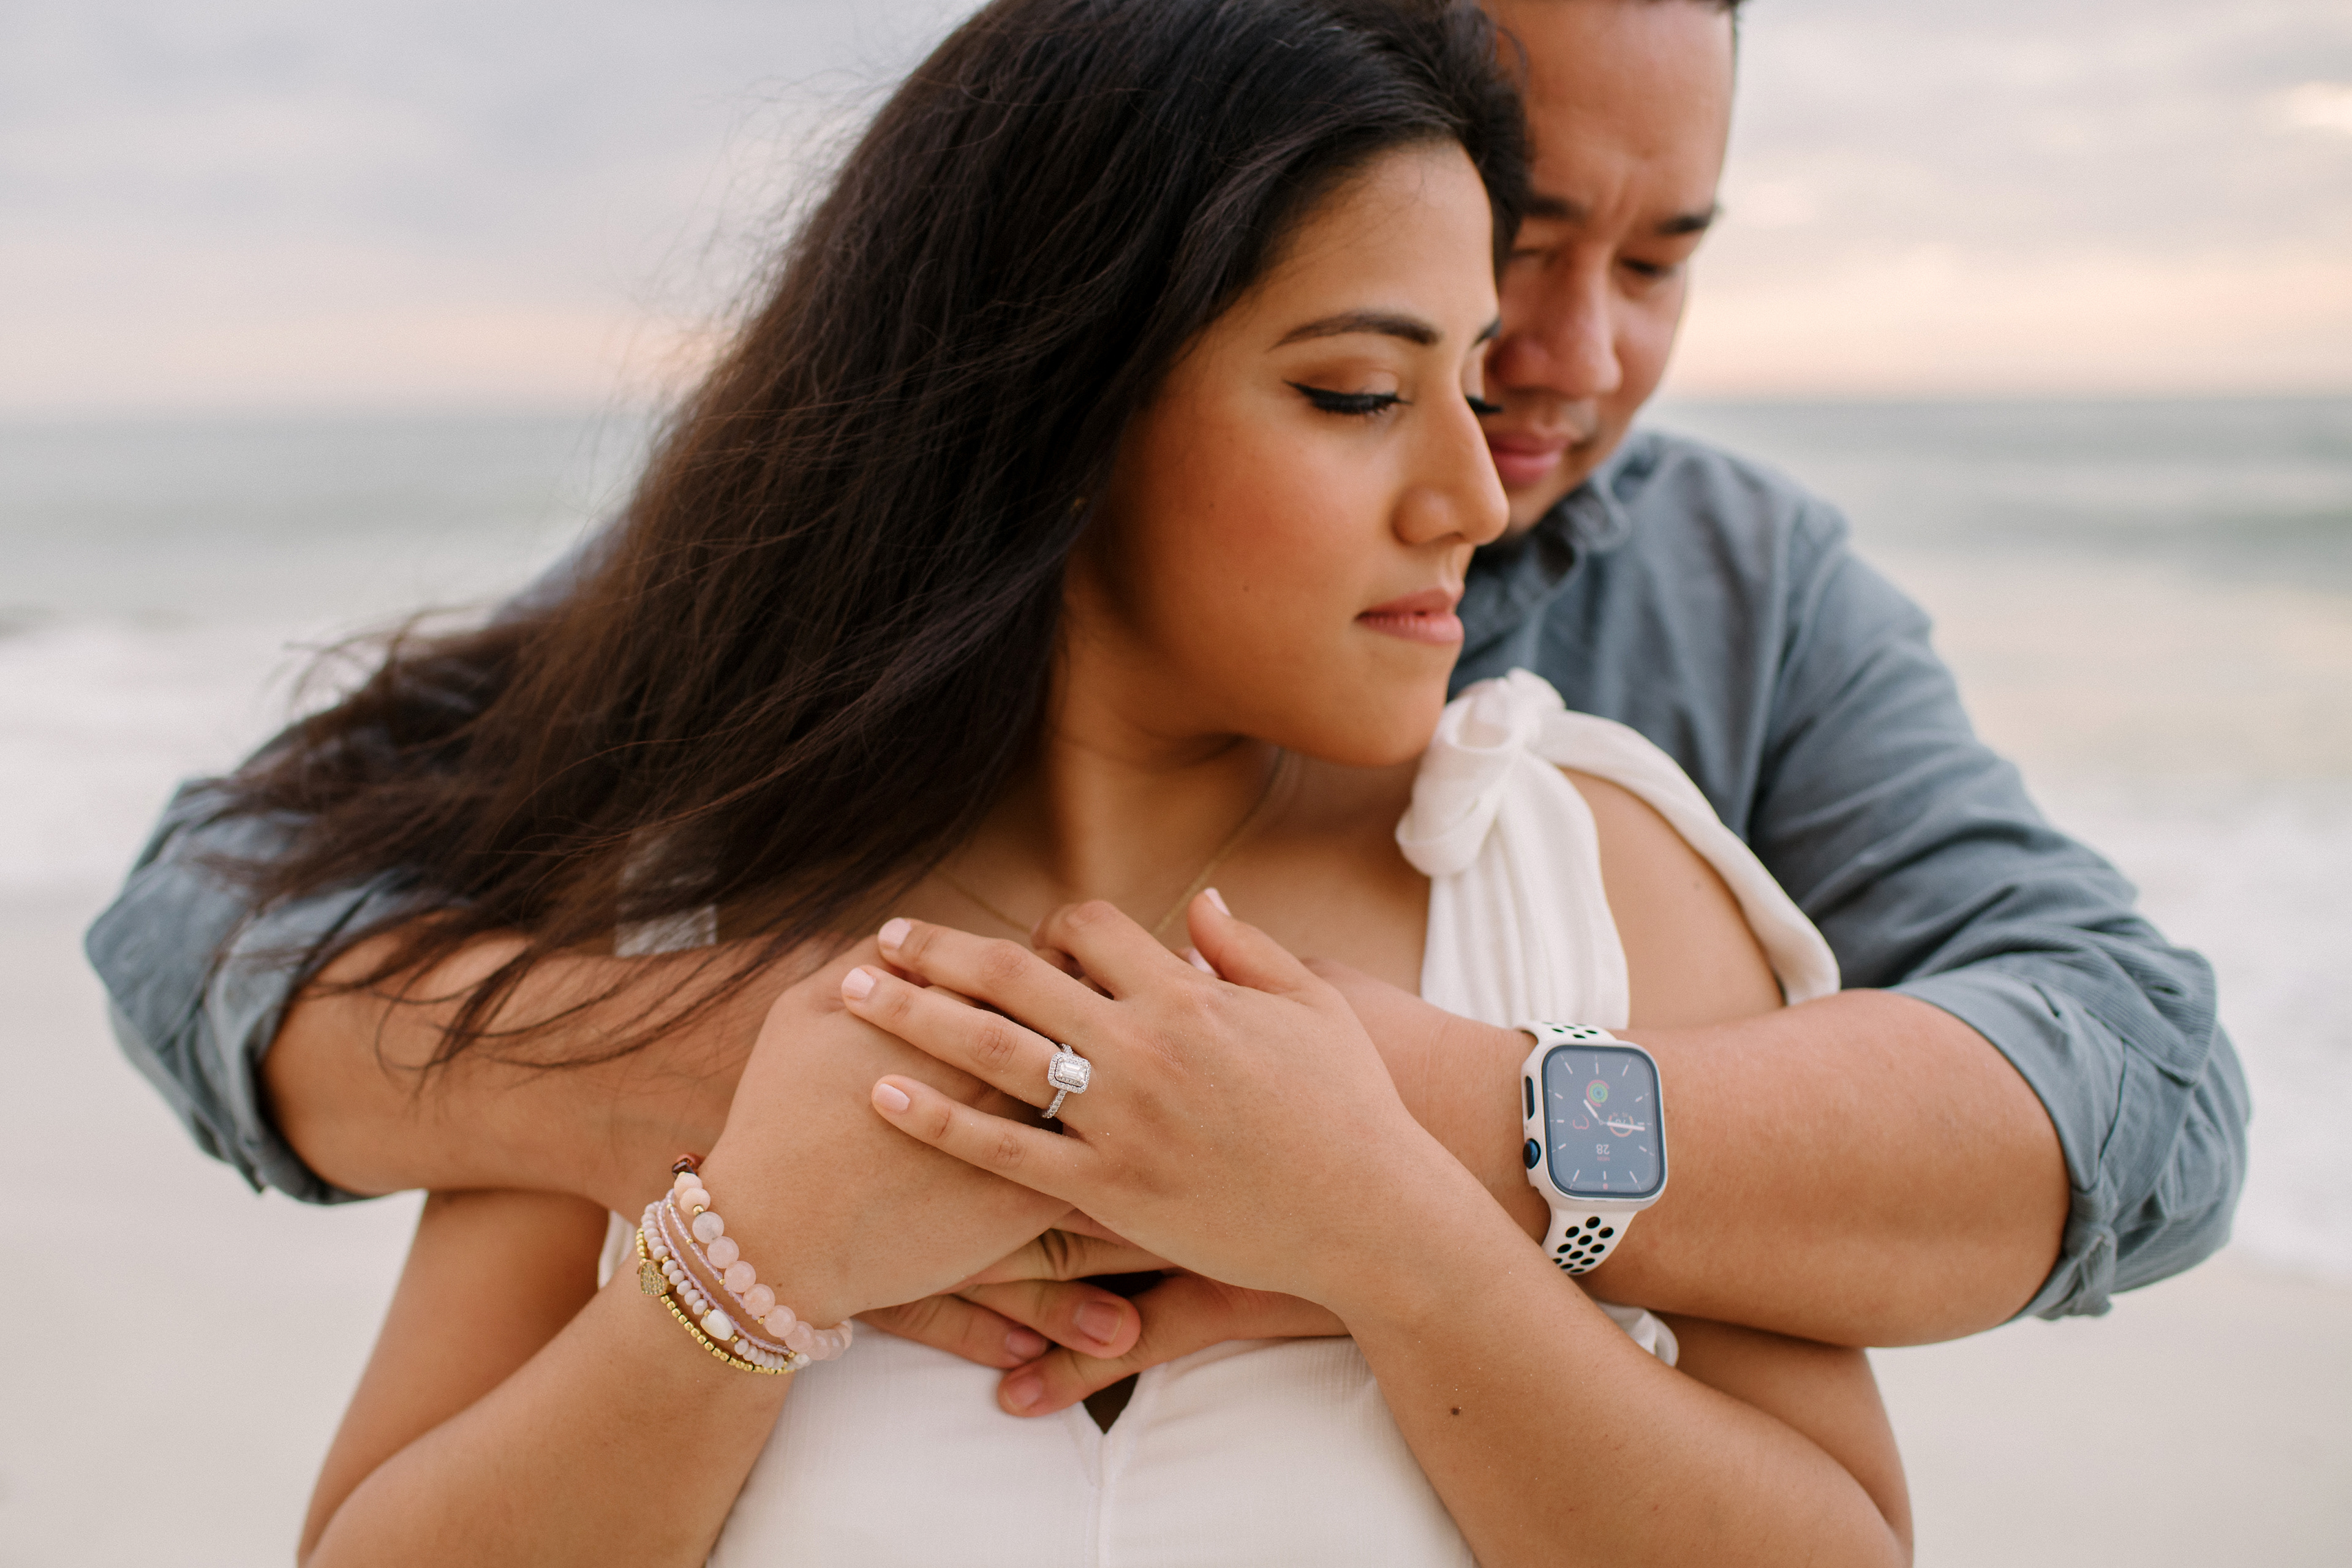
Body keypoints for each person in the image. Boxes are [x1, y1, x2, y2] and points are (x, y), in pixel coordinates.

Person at [86, 0, 2245, 1420]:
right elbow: (208, 907)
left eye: (1660, 261)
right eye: (1508, 237)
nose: (1568, 359)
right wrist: (668, 1083)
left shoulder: (1730, 601)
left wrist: (1410, 1130)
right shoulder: (841, 604)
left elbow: (2141, 1093)